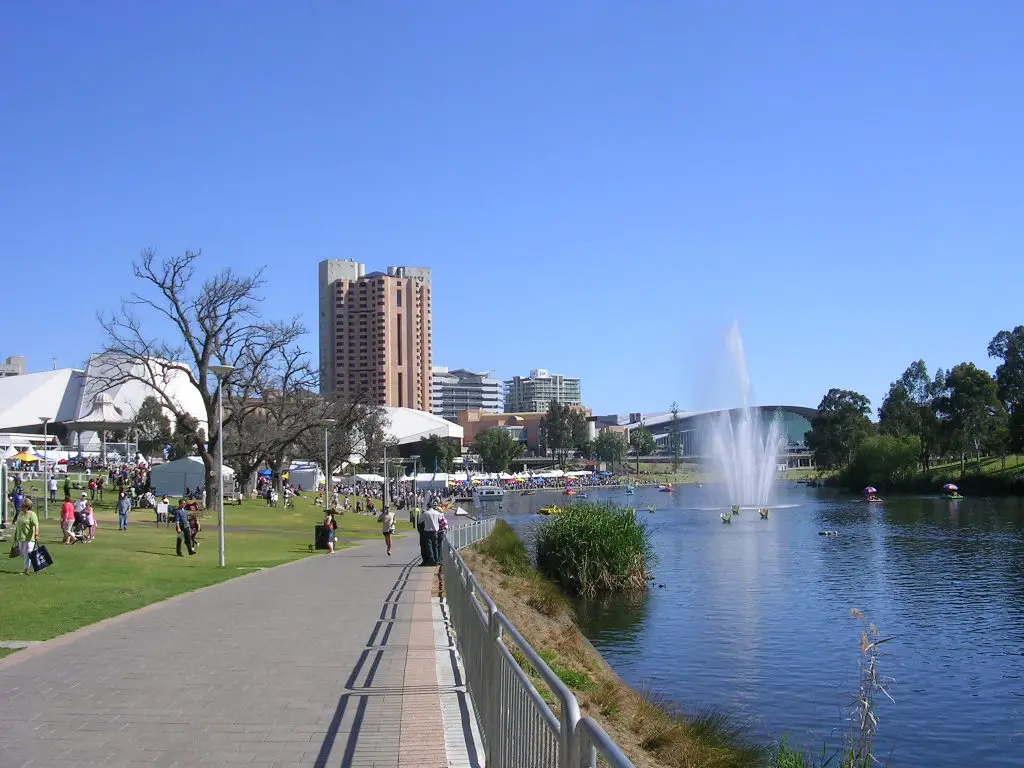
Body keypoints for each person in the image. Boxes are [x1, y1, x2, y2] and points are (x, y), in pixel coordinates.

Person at [14, 498, 39, 575]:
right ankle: (35, 565)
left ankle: (26, 570)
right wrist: (15, 534)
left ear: (28, 507)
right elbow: (18, 524)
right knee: (22, 554)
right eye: (21, 506)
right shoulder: (20, 514)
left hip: (29, 538)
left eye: (24, 506)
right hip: (20, 537)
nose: (22, 507)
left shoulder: (32, 514)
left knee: (28, 554)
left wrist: (36, 534)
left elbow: (36, 524)